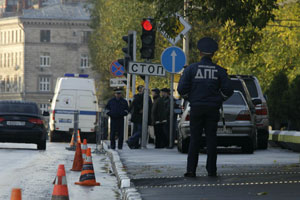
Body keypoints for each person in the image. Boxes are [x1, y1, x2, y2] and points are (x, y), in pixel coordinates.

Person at [177, 37, 233, 178]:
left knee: (194, 139)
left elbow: (181, 89)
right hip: (212, 109)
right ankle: (212, 170)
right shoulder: (219, 71)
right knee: (211, 140)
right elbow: (228, 90)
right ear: (213, 54)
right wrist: (219, 99)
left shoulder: (191, 69)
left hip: (196, 107)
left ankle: (191, 170)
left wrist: (191, 99)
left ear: (200, 52)